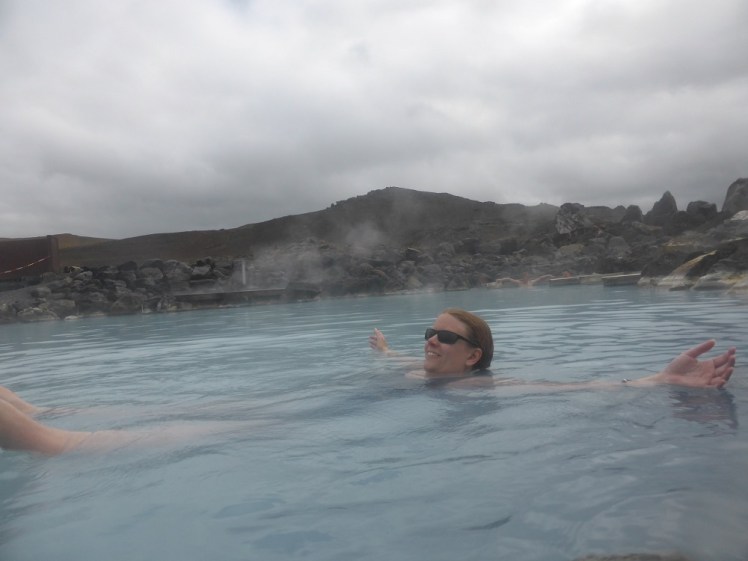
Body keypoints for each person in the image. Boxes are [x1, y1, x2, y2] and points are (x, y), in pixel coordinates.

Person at [369, 307, 737, 389]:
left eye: (445, 337)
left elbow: (566, 389)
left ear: (472, 356)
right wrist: (387, 352)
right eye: (430, 332)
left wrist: (658, 379)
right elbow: (412, 357)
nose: (431, 340)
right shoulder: (421, 369)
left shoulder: (474, 387)